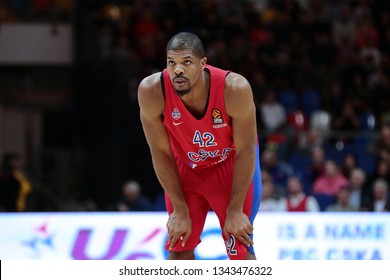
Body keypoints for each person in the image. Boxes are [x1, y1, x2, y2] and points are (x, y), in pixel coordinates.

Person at [138, 32, 262, 260]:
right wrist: (180, 209)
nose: (178, 70)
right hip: (187, 167)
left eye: (186, 62)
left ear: (203, 64)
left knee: (240, 251)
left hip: (230, 166)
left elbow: (246, 149)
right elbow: (160, 151)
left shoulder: (234, 88)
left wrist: (235, 210)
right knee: (179, 248)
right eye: (171, 63)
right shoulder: (152, 91)